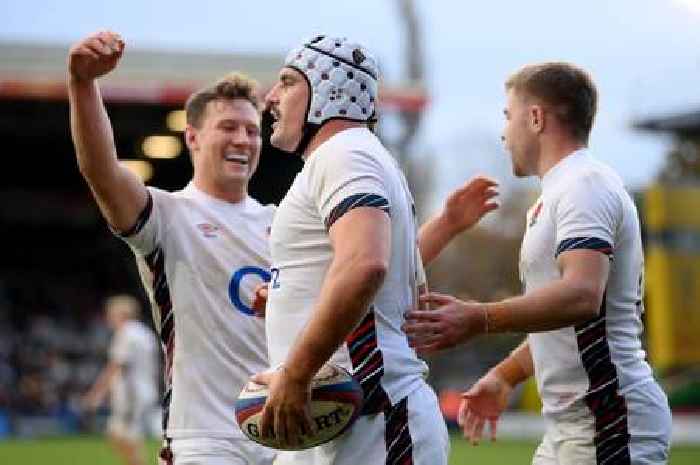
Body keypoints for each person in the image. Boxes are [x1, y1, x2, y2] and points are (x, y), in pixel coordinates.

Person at [68, 31, 496, 465]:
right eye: (228, 127)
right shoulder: (167, 214)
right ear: (192, 138)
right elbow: (102, 171)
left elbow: (366, 269)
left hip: (291, 430)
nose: (244, 139)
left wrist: (443, 226)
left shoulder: (283, 217)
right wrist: (83, 86)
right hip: (209, 440)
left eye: (251, 129)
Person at [404, 62, 672, 465]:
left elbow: (582, 296)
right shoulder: (559, 194)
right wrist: (504, 375)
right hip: (578, 428)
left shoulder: (585, 185)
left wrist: (479, 317)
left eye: (508, 116)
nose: (503, 132)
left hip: (611, 424)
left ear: (535, 118)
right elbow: (567, 322)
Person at [254, 35, 491, 465]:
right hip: (340, 424)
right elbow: (376, 269)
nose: (271, 97)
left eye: (287, 82)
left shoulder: (344, 154)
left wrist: (296, 373)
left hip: (372, 422)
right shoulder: (353, 156)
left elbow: (365, 265)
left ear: (328, 89)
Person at [84, 295, 159, 465]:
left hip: (132, 395)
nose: (109, 319)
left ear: (122, 314)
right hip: (145, 390)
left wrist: (96, 394)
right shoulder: (145, 332)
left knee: (123, 436)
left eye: (111, 315)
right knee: (122, 435)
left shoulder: (126, 333)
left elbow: (115, 366)